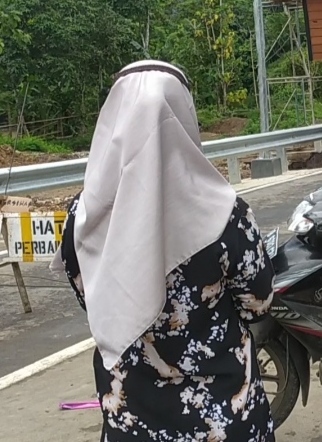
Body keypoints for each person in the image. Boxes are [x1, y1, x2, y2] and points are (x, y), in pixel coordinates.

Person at [53, 60, 275, 442]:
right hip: (222, 416)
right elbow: (258, 302)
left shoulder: (83, 217)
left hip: (131, 417)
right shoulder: (225, 214)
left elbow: (90, 296)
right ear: (184, 117)